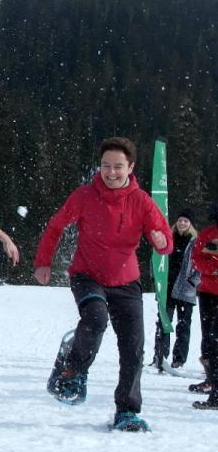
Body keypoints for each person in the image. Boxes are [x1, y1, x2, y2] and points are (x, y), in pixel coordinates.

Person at [35, 136, 171, 431]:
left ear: (130, 167)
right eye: (105, 165)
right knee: (96, 318)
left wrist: (162, 242)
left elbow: (164, 238)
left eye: (118, 166)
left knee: (133, 348)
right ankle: (73, 370)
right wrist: (43, 262)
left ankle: (127, 412)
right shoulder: (85, 196)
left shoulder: (141, 201)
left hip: (127, 281)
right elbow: (56, 226)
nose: (111, 172)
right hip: (88, 276)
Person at [153, 208, 199, 369]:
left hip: (186, 289)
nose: (182, 223)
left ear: (190, 224)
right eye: (180, 220)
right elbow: (156, 258)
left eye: (186, 221)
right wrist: (156, 278)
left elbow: (200, 264)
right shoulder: (168, 238)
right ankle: (160, 355)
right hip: (167, 287)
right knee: (163, 323)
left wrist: (193, 281)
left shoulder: (195, 242)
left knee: (183, 326)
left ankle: (179, 359)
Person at [189, 203, 218, 408]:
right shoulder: (208, 233)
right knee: (208, 340)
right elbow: (196, 258)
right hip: (208, 292)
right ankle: (212, 380)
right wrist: (212, 268)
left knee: (215, 339)